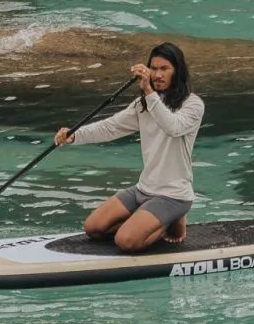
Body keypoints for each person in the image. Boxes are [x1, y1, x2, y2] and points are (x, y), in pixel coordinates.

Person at [54, 43, 204, 253]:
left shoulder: (193, 104)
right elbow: (110, 127)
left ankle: (170, 219)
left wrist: (149, 91)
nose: (158, 74)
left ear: (178, 71)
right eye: (154, 68)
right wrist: (74, 136)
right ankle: (150, 219)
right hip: (143, 188)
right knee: (93, 228)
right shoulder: (142, 105)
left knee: (126, 241)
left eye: (165, 69)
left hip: (173, 195)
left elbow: (173, 127)